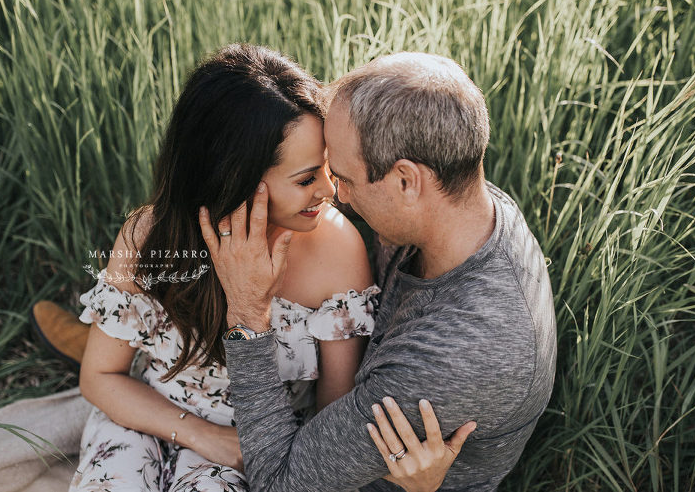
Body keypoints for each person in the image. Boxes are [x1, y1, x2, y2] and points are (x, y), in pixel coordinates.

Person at [67, 44, 467, 492]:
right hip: (146, 417)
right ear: (235, 179)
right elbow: (100, 377)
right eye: (306, 179)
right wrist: (206, 436)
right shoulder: (151, 238)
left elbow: (329, 416)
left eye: (328, 170)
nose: (329, 192)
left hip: (262, 450)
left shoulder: (336, 251)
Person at [200, 52, 557, 491]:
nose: (337, 196)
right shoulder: (467, 206)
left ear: (406, 181)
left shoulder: (448, 357)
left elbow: (278, 482)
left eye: (345, 178)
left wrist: (249, 317)